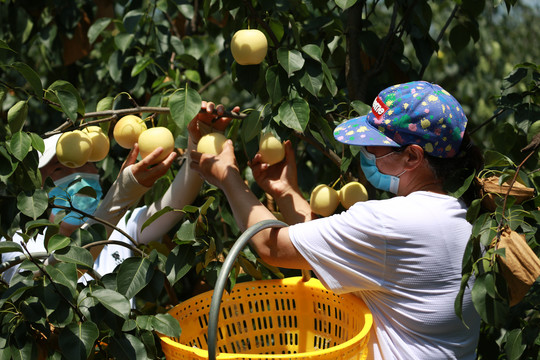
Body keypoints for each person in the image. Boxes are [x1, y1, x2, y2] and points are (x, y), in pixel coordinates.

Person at [190, 81, 484, 359]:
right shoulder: (468, 218)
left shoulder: (390, 224)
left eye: (373, 146)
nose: (366, 153)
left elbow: (272, 247)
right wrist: (285, 191)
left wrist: (228, 178)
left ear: (411, 157)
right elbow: (331, 250)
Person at [1, 101, 237, 284]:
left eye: (88, 161)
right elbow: (52, 281)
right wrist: (119, 197)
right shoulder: (18, 243)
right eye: (62, 167)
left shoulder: (119, 229)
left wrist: (198, 140)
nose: (81, 174)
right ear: (38, 184)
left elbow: (175, 203)